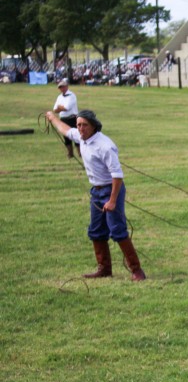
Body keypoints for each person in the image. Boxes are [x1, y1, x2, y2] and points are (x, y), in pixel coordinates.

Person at [43, 110, 146, 281]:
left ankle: (137, 271)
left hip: (111, 189)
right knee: (96, 231)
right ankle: (104, 269)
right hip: (96, 191)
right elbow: (65, 130)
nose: (80, 128)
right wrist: (52, 117)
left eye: (84, 125)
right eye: (78, 125)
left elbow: (117, 175)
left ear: (93, 126)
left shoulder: (105, 145)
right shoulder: (81, 137)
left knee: (117, 230)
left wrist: (112, 200)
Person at [53, 79, 79, 159]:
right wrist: (61, 108)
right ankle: (70, 153)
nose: (62, 89)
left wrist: (60, 107)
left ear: (67, 87)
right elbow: (55, 109)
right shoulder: (59, 97)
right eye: (60, 87)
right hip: (63, 119)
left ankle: (80, 153)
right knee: (66, 137)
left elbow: (67, 108)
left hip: (72, 118)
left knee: (76, 137)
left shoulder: (72, 96)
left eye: (63, 87)